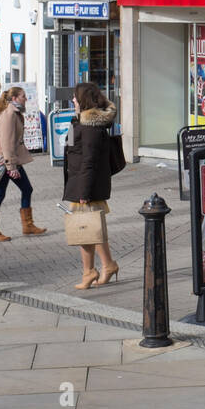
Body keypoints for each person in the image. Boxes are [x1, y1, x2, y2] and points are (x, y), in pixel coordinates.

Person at [63, 81, 119, 289]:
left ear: (83, 100)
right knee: (93, 229)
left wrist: (84, 192)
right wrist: (73, 123)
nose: (73, 100)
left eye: (75, 97)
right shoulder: (79, 123)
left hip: (85, 185)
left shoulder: (90, 128)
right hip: (79, 181)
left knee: (84, 229)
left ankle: (90, 272)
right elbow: (69, 148)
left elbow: (89, 161)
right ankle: (107, 265)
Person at [0, 86, 45, 241]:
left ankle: (27, 226)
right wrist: (11, 167)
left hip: (10, 160)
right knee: (2, 193)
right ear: (14, 99)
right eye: (23, 96)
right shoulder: (9, 115)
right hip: (7, 161)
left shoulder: (15, 113)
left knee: (20, 190)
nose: (26, 98)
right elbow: (6, 143)